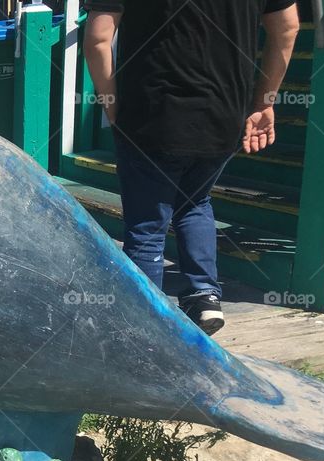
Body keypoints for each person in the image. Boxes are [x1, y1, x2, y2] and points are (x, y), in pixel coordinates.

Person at [83, 0, 300, 335]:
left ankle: (144, 325)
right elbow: (287, 27)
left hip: (151, 114)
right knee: (195, 202)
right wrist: (264, 102)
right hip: (224, 117)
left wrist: (111, 106)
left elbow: (98, 38)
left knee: (146, 226)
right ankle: (203, 297)